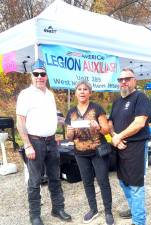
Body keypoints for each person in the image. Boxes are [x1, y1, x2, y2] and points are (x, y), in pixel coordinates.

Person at [16, 59, 71, 225]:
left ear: (46, 76)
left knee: (55, 177)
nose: (39, 77)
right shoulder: (25, 94)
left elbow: (51, 116)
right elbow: (20, 121)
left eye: (43, 74)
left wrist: (69, 121)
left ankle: (57, 209)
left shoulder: (49, 94)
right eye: (36, 74)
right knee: (34, 181)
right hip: (35, 142)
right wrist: (27, 145)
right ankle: (34, 215)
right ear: (31, 76)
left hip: (51, 142)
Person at [65, 80, 114, 225]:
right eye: (79, 89)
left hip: (98, 152)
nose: (82, 91)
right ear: (75, 93)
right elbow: (69, 137)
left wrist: (98, 126)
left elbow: (106, 130)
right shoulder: (71, 112)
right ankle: (93, 209)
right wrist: (70, 132)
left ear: (89, 93)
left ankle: (108, 211)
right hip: (80, 153)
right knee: (87, 182)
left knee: (103, 181)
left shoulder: (96, 108)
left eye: (85, 89)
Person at [109, 68, 151, 225]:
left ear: (134, 80)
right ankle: (134, 207)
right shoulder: (117, 100)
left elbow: (139, 122)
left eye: (127, 78)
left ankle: (139, 220)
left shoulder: (140, 97)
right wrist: (114, 137)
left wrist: (120, 136)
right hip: (119, 147)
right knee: (123, 181)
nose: (123, 82)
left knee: (135, 185)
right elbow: (110, 122)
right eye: (120, 80)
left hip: (136, 147)